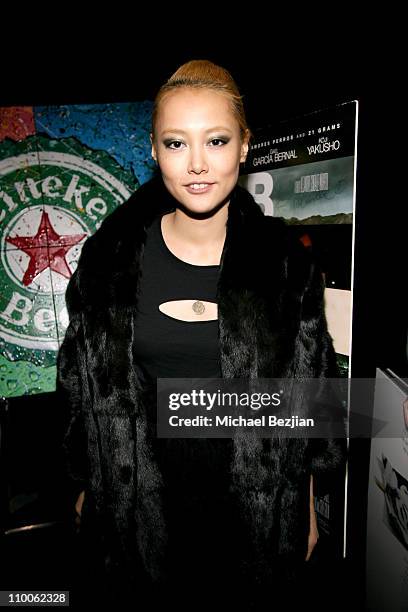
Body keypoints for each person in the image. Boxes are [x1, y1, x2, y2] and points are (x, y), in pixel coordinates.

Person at [56, 59, 345, 610]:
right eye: (175, 143)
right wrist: (91, 481)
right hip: (138, 510)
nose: (196, 165)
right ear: (153, 150)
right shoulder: (107, 264)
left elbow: (310, 396)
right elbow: (80, 386)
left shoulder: (287, 268)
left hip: (255, 518)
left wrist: (304, 506)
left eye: (215, 141)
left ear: (244, 146)